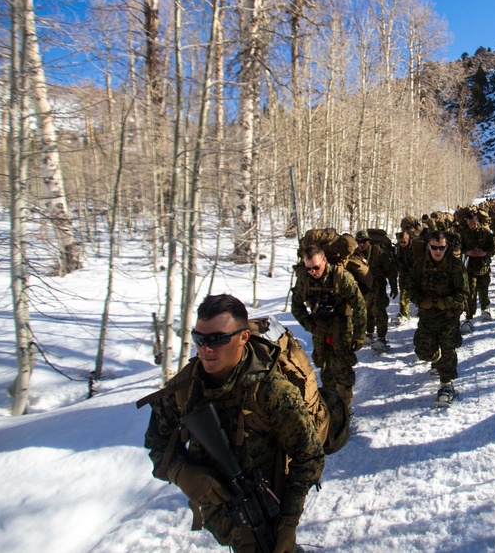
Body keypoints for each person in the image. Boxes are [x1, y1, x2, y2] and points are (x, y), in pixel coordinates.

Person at [143, 294, 325, 553]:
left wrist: (287, 524)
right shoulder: (184, 389)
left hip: (270, 511)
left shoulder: (272, 391)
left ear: (243, 338)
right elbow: (157, 444)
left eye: (217, 339)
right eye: (199, 339)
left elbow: (309, 456)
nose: (206, 348)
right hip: (223, 519)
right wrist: (182, 474)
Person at [291, 244, 366, 414]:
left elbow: (359, 305)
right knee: (325, 369)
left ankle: (345, 412)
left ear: (325, 260)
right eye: (308, 268)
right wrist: (310, 326)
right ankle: (332, 409)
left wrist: (359, 335)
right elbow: (296, 306)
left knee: (343, 370)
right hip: (319, 331)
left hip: (342, 329)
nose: (313, 272)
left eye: (316, 267)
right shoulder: (304, 279)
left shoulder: (341, 277)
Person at [403, 230, 469, 405]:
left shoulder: (455, 266)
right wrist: (420, 301)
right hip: (427, 316)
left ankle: (446, 384)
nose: (437, 251)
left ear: (446, 247)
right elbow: (409, 288)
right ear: (428, 246)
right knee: (425, 352)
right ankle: (435, 358)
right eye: (434, 247)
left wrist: (445, 302)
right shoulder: (420, 265)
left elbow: (464, 292)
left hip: (449, 316)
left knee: (448, 348)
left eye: (441, 247)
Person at [354, 230, 398, 351]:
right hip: (364, 288)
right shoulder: (355, 254)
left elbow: (390, 269)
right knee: (366, 310)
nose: (361, 244)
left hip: (378, 286)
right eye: (359, 242)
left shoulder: (378, 251)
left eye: (363, 241)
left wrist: (394, 286)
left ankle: (381, 337)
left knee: (379, 311)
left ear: (369, 241)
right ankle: (369, 333)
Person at [459, 210, 495, 323]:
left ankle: (485, 309)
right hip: (470, 268)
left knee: (484, 290)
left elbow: (493, 249)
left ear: (477, 221)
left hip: (483, 266)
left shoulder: (486, 232)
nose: (472, 226)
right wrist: (467, 252)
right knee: (471, 292)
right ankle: (470, 314)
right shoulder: (464, 234)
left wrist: (485, 253)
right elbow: (459, 248)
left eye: (474, 224)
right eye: (470, 224)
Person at [392, 230, 416, 325]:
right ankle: (404, 314)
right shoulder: (398, 248)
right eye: (400, 242)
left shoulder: (415, 247)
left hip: (414, 273)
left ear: (408, 239)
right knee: (403, 292)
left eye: (404, 242)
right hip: (403, 273)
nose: (402, 244)